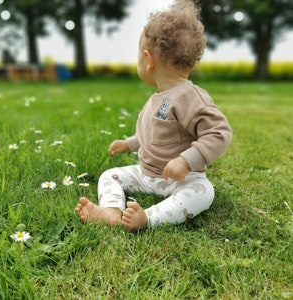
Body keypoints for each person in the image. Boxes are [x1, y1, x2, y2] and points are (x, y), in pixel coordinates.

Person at [75, 0, 232, 232]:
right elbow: (155, 134)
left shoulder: (190, 97)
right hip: (146, 174)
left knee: (203, 193)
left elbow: (220, 133)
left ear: (148, 60)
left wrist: (187, 161)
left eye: (139, 55)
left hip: (181, 180)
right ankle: (111, 210)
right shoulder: (158, 97)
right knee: (111, 175)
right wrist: (129, 144)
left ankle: (147, 218)